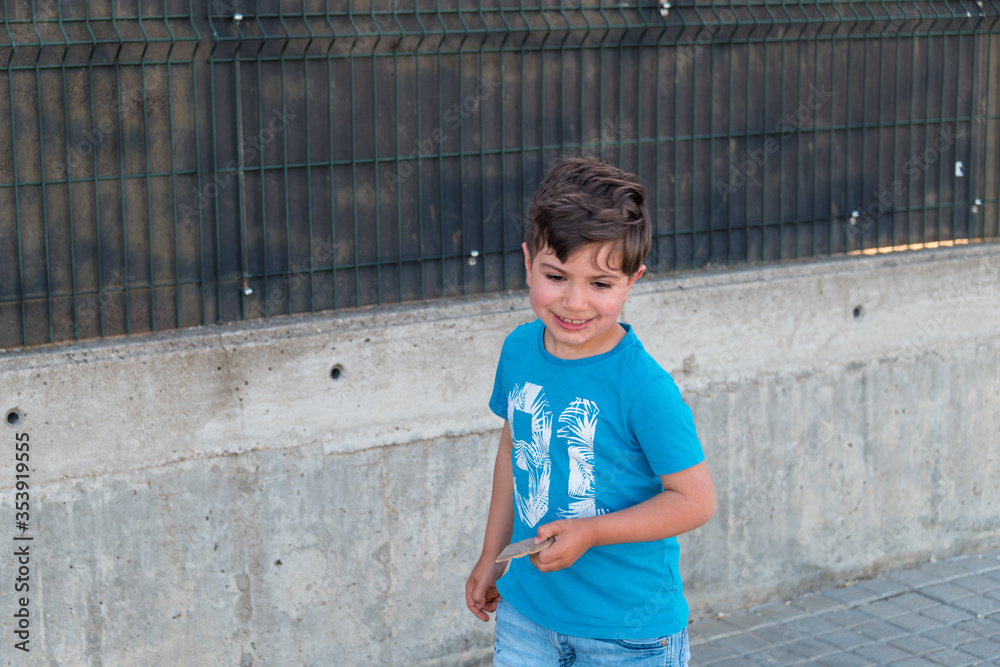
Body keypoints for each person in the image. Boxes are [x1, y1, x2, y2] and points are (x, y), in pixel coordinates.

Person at [464, 156, 716, 666]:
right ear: (527, 262)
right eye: (556, 276)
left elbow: (694, 501)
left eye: (600, 284)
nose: (575, 302)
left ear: (632, 281)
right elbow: (514, 448)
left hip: (629, 636)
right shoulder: (518, 351)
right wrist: (491, 557)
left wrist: (593, 531)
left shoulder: (645, 388)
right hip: (526, 616)